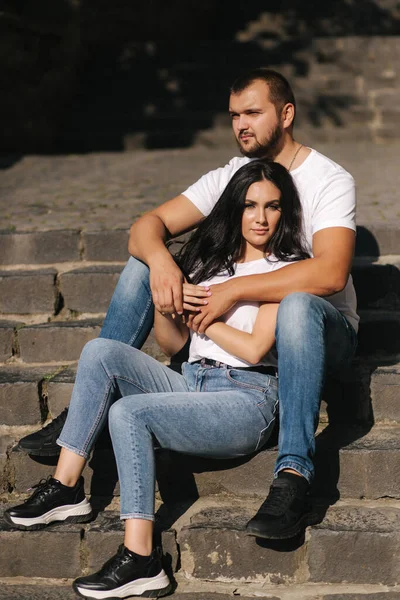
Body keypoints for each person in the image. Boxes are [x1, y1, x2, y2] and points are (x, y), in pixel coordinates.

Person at [17, 67, 358, 540]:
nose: (241, 124)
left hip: (319, 330)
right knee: (146, 261)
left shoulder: (328, 179)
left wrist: (230, 293)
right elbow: (146, 227)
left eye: (253, 113)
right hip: (221, 349)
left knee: (298, 303)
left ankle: (295, 474)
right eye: (234, 114)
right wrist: (164, 272)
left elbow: (330, 273)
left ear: (286, 114)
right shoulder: (234, 178)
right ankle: (84, 414)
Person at [6, 160, 310, 599]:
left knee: (129, 413)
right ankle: (67, 487)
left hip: (248, 399)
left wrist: (203, 318)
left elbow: (254, 348)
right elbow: (173, 346)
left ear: (285, 212)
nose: (261, 218)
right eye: (250, 206)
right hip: (194, 381)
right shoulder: (214, 262)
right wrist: (170, 309)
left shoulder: (286, 266)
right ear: (234, 210)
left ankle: (142, 559)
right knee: (101, 351)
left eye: (272, 207)